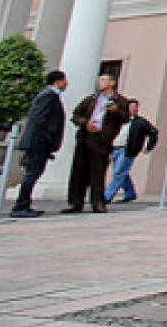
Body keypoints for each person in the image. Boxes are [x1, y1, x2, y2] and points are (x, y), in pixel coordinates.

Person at [63, 74, 131, 213]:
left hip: (102, 139)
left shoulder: (120, 101)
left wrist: (115, 111)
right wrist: (85, 123)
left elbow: (125, 118)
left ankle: (98, 202)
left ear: (112, 83)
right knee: (79, 171)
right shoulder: (91, 99)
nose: (100, 82)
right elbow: (76, 115)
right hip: (85, 137)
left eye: (104, 80)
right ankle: (76, 202)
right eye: (99, 80)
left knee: (98, 172)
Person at [10, 70, 68, 218]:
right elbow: (40, 120)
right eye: (64, 80)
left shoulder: (49, 96)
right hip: (38, 142)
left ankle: (24, 204)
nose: (66, 83)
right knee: (32, 173)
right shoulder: (48, 96)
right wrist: (46, 140)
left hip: (39, 142)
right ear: (57, 81)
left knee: (34, 173)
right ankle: (20, 206)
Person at [104, 100, 159, 204]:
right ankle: (130, 193)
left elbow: (153, 132)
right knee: (121, 172)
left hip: (128, 150)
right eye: (132, 107)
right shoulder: (119, 120)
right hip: (115, 148)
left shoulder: (140, 122)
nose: (134, 109)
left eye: (136, 107)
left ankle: (106, 196)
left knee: (119, 173)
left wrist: (149, 146)